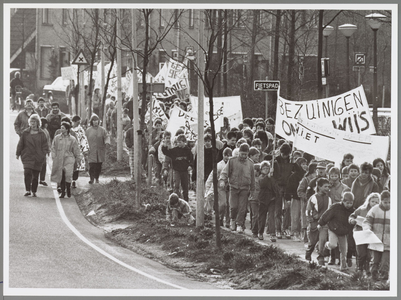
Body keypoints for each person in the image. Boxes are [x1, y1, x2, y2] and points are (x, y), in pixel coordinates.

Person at [219, 143, 255, 233]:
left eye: (245, 154)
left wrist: (253, 189)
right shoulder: (232, 161)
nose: (243, 156)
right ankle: (233, 219)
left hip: (244, 188)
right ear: (239, 152)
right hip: (233, 187)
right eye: (242, 154)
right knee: (233, 206)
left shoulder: (250, 163)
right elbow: (225, 172)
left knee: (242, 208)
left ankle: (239, 224)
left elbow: (253, 177)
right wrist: (222, 180)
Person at [318, 192, 355, 271]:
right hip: (333, 229)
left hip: (343, 232)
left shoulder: (352, 211)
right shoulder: (336, 207)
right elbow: (327, 215)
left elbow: (353, 222)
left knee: (344, 250)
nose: (349, 205)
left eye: (351, 203)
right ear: (343, 201)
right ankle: (326, 245)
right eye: (347, 203)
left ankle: (343, 266)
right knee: (333, 245)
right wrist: (321, 223)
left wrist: (350, 229)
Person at [16, 114, 49, 197]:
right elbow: (21, 143)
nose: (32, 123)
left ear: (38, 123)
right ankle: (28, 190)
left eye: (34, 121)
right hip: (27, 156)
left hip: (38, 157)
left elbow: (45, 145)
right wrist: (18, 153)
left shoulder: (42, 133)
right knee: (27, 172)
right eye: (31, 121)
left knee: (35, 175)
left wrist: (44, 153)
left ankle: (34, 191)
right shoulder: (25, 132)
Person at [349, 192, 380, 276]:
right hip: (360, 232)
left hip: (371, 234)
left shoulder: (379, 212)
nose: (374, 204)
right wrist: (352, 220)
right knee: (361, 253)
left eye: (377, 202)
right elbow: (352, 216)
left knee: (369, 254)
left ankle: (367, 270)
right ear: (369, 201)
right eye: (373, 201)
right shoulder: (362, 209)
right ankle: (359, 269)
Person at [363, 190, 390, 280]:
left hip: (389, 242)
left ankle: (384, 280)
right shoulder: (374, 209)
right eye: (385, 202)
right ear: (381, 200)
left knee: (385, 263)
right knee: (375, 261)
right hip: (376, 240)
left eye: (389, 202)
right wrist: (367, 228)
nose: (387, 204)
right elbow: (367, 221)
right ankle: (373, 278)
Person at [305, 178, 332, 265]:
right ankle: (309, 252)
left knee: (322, 240)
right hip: (314, 223)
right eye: (325, 186)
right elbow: (308, 210)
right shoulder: (313, 198)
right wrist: (310, 219)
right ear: (319, 187)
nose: (327, 188)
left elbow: (329, 211)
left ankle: (321, 257)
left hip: (324, 223)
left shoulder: (329, 199)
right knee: (312, 241)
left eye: (328, 186)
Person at [51, 122, 81, 198]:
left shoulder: (72, 139)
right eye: (61, 127)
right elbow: (53, 147)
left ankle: (68, 189)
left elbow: (76, 149)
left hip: (69, 159)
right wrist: (54, 156)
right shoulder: (57, 138)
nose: (61, 129)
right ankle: (63, 192)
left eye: (63, 128)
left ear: (67, 129)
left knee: (68, 175)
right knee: (61, 176)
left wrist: (78, 158)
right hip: (59, 159)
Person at [204, 147, 232, 224]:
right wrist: (208, 186)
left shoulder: (232, 164)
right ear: (223, 155)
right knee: (223, 204)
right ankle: (220, 217)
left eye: (229, 155)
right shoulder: (219, 165)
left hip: (230, 187)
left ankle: (227, 222)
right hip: (221, 186)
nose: (227, 157)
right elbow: (212, 176)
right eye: (226, 155)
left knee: (229, 205)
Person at [162, 134, 193, 202]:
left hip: (184, 171)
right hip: (176, 170)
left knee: (185, 186)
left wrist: (190, 165)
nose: (178, 144)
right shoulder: (175, 150)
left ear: (184, 142)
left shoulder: (187, 150)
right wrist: (164, 145)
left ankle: (185, 200)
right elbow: (166, 152)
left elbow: (191, 159)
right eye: (178, 142)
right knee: (176, 185)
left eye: (180, 142)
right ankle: (176, 200)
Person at [272, 143, 294, 239]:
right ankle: (278, 229)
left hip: (288, 187)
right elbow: (272, 175)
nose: (285, 156)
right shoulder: (275, 161)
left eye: (287, 154)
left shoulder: (291, 161)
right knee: (278, 209)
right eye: (283, 154)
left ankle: (285, 228)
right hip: (278, 187)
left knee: (288, 208)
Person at [285, 157, 307, 241]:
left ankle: (301, 233)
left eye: (305, 164)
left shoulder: (306, 175)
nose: (304, 166)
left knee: (303, 216)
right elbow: (289, 188)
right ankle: (294, 232)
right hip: (295, 198)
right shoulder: (294, 176)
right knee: (295, 216)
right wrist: (288, 199)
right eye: (302, 164)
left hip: (304, 199)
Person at [257, 161, 279, 241]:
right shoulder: (261, 177)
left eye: (267, 168)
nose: (266, 170)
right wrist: (268, 177)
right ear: (261, 170)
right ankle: (260, 232)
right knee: (262, 217)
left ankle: (272, 234)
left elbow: (275, 187)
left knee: (271, 217)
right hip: (263, 200)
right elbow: (262, 184)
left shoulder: (272, 177)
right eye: (264, 168)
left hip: (271, 199)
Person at [85, 115, 109, 184]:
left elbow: (106, 137)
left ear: (98, 121)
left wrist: (106, 143)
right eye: (94, 120)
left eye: (96, 120)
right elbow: (85, 140)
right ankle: (91, 178)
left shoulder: (102, 130)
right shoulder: (88, 130)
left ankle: (97, 178)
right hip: (91, 150)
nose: (95, 122)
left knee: (98, 165)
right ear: (91, 122)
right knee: (92, 165)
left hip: (100, 150)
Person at [297, 162, 317, 244]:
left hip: (317, 203)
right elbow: (299, 191)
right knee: (306, 219)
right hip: (307, 203)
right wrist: (308, 197)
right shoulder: (305, 179)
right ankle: (305, 236)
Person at [71, 115, 90, 188]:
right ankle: (68, 180)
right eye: (77, 122)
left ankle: (74, 181)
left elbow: (83, 139)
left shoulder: (80, 130)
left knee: (76, 166)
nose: (78, 124)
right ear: (74, 121)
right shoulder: (69, 129)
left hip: (78, 150)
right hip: (69, 150)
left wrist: (85, 149)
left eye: (79, 122)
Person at [39, 118, 51, 186]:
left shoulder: (46, 130)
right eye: (46, 123)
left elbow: (48, 141)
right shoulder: (40, 131)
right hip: (40, 151)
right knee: (39, 165)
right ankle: (36, 179)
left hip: (44, 151)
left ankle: (42, 179)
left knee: (44, 165)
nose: (47, 125)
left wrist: (48, 150)